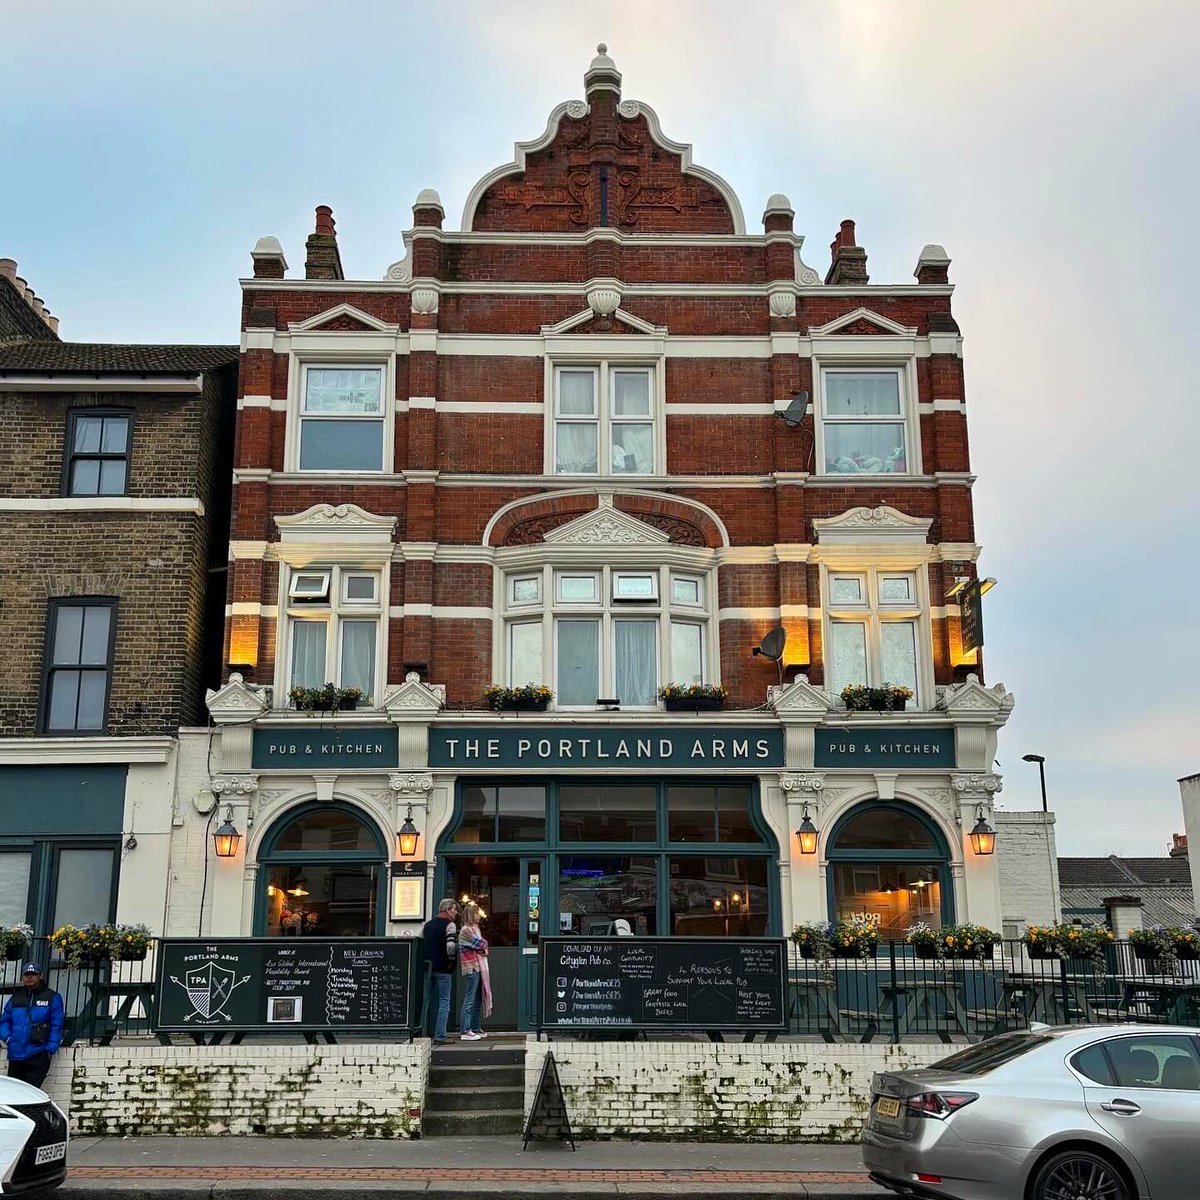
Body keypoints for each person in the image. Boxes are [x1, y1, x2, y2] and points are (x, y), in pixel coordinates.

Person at [0, 963, 64, 1090]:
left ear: (40, 976)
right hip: (16, 1056)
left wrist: (49, 1049)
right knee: (14, 1095)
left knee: (30, 1094)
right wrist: (8, 1038)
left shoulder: (52, 997)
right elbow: (4, 1021)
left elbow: (57, 1025)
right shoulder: (16, 998)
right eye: (26, 974)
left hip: (38, 1054)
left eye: (33, 974)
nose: (29, 977)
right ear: (21, 978)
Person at [422, 898, 458, 1044]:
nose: (456, 913)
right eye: (454, 909)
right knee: (444, 1002)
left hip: (428, 968)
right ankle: (440, 1036)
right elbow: (450, 946)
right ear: (446, 910)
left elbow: (419, 941)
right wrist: (451, 960)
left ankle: (422, 1033)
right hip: (443, 968)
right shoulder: (450, 925)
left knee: (427, 1000)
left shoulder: (427, 925)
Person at [457, 903, 492, 1041]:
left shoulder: (475, 929)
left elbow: (482, 946)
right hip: (472, 967)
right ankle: (465, 1030)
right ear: (471, 914)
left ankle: (475, 1027)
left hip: (478, 966)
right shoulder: (466, 930)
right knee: (470, 998)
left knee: (477, 998)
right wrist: (482, 946)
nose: (479, 916)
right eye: (476, 913)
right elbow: (481, 944)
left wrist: (482, 946)